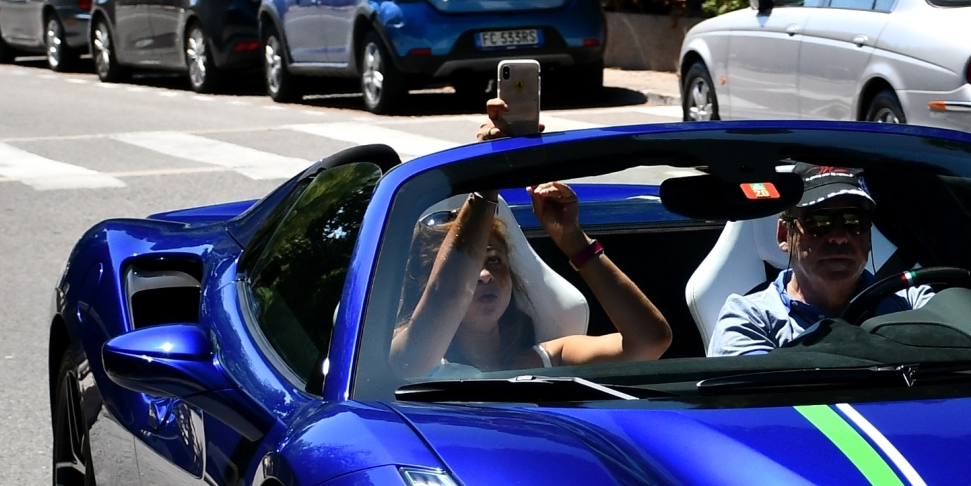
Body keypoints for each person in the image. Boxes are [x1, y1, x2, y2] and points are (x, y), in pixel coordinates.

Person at [389, 182, 671, 380]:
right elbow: (448, 294)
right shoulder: (408, 358)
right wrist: (486, 185)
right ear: (426, 284)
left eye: (494, 260)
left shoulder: (551, 359)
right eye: (468, 268)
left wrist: (574, 242)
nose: (485, 275)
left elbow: (650, 341)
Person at [706, 168, 930, 355]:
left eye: (854, 220)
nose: (839, 236)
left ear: (868, 236)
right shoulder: (750, 318)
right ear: (785, 235)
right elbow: (759, 403)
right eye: (820, 221)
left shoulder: (912, 300)